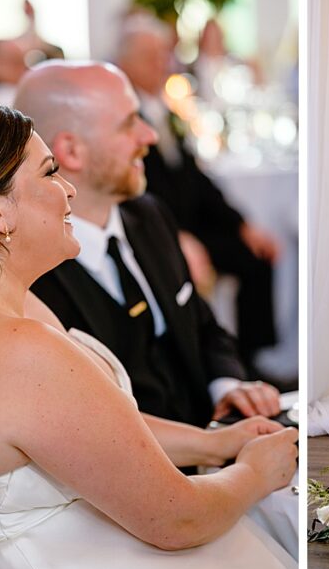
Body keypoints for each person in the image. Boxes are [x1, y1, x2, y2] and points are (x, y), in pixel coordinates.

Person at [0, 96, 298, 569]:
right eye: (49, 173)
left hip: (23, 565)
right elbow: (178, 518)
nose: (68, 189)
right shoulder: (17, 347)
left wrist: (215, 444)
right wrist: (255, 473)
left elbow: (95, 429)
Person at [15, 61, 283, 427]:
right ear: (71, 151)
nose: (150, 137)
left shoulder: (149, 215)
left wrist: (227, 386)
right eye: (130, 123)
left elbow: (202, 324)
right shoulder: (27, 268)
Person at [115, 15, 280, 371]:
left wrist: (242, 225)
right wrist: (176, 236)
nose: (162, 63)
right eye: (150, 56)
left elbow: (199, 181)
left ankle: (250, 362)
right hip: (158, 229)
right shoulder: (125, 116)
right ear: (125, 63)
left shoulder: (169, 107)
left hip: (194, 226)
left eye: (164, 53)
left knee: (257, 257)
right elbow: (131, 191)